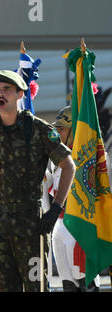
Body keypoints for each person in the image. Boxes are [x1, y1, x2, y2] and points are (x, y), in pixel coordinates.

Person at [0, 70, 75, 292]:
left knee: (36, 287)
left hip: (31, 227)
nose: (1, 94)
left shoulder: (39, 130)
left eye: (7, 89)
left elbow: (69, 166)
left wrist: (55, 208)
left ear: (20, 94)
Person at [47, 105, 100, 291]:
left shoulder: (89, 158)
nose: (57, 132)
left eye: (61, 128)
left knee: (85, 279)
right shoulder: (58, 156)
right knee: (67, 282)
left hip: (78, 222)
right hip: (59, 222)